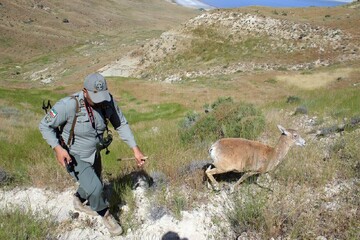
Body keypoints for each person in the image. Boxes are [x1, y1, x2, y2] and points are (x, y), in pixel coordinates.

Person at [39, 72, 146, 236]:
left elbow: (121, 124)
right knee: (96, 188)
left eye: (102, 96)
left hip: (94, 152)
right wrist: (57, 148)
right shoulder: (68, 105)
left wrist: (135, 149)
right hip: (74, 155)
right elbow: (44, 126)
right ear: (85, 91)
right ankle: (106, 215)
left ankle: (78, 200)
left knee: (94, 180)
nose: (100, 101)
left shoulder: (108, 102)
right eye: (96, 97)